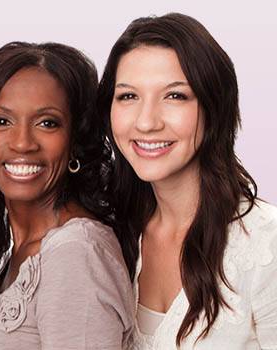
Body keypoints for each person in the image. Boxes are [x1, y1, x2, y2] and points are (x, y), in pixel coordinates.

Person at [97, 12, 277, 349]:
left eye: (175, 96)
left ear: (214, 108)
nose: (147, 122)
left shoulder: (267, 244)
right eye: (128, 96)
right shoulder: (111, 233)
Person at [0, 41, 134, 349]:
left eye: (47, 123)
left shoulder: (77, 253)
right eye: (1, 121)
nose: (22, 143)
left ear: (75, 140)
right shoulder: (26, 249)